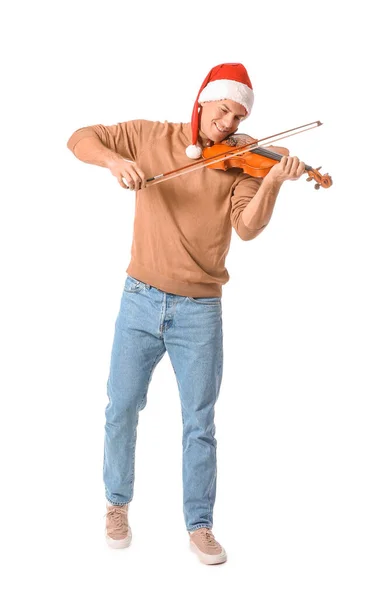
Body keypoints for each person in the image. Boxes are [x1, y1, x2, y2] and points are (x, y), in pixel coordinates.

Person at [66, 63, 305, 565]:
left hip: (200, 311)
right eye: (223, 110)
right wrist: (113, 161)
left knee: (199, 421)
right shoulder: (150, 136)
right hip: (139, 298)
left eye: (238, 116)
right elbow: (79, 137)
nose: (229, 124)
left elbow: (248, 229)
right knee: (121, 408)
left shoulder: (242, 159)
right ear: (202, 101)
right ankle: (116, 505)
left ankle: (199, 525)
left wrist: (273, 183)